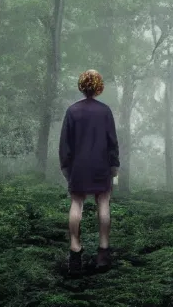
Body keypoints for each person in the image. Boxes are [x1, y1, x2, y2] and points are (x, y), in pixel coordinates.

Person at [58, 69, 120, 277]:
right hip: (101, 166)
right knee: (103, 203)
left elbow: (65, 144)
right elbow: (112, 142)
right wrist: (114, 166)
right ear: (99, 87)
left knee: (77, 203)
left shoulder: (72, 111)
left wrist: (66, 167)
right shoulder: (105, 111)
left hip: (79, 167)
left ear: (81, 85)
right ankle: (103, 251)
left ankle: (75, 249)